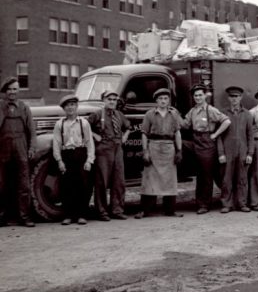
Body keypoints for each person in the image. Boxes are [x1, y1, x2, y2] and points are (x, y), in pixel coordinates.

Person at [182, 84, 230, 214]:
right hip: (196, 141)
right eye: (195, 95)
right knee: (200, 173)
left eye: (200, 95)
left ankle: (205, 204)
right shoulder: (192, 111)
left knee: (206, 174)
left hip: (207, 143)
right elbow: (184, 125)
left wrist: (215, 134)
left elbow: (226, 121)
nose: (197, 97)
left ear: (205, 96)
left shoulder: (210, 110)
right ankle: (199, 202)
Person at [136, 88, 183, 218]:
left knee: (170, 180)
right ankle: (145, 210)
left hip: (169, 148)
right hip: (154, 147)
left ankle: (170, 210)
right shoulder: (149, 114)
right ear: (156, 100)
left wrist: (179, 151)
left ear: (169, 101)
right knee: (149, 179)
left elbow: (177, 133)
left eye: (165, 99)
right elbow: (144, 134)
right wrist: (145, 151)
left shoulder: (174, 114)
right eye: (160, 99)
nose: (163, 101)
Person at [52, 95, 95, 225]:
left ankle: (82, 214)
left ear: (76, 107)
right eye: (67, 106)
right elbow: (56, 143)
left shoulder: (84, 123)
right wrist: (59, 161)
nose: (70, 108)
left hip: (80, 154)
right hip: (67, 155)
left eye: (72, 105)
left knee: (83, 185)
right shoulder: (60, 124)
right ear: (64, 109)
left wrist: (89, 160)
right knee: (66, 185)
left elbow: (89, 142)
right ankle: (68, 215)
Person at [88, 90, 130, 221]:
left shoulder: (119, 114)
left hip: (117, 147)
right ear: (104, 100)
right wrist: (95, 136)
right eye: (109, 99)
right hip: (103, 149)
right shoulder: (97, 114)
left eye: (114, 99)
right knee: (102, 181)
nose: (112, 101)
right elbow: (85, 127)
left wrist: (125, 136)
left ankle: (117, 210)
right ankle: (101, 212)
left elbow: (128, 127)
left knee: (119, 180)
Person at [0, 78, 36, 227]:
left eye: (15, 89)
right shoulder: (0, 107)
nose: (12, 92)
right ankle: (3, 216)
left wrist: (32, 148)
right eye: (9, 89)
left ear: (18, 91)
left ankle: (24, 216)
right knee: (2, 183)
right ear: (5, 91)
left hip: (21, 147)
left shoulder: (24, 107)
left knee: (23, 184)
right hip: (3, 149)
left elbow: (32, 131)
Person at [218, 86, 254, 213]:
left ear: (241, 97)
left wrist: (250, 153)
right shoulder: (222, 113)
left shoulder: (247, 114)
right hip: (228, 151)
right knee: (226, 178)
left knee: (242, 178)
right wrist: (221, 153)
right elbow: (219, 135)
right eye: (232, 96)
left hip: (243, 150)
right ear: (228, 98)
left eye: (237, 96)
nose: (234, 99)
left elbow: (250, 135)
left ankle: (242, 203)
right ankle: (227, 204)